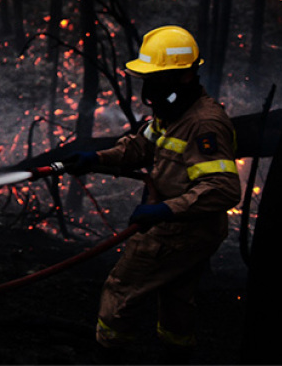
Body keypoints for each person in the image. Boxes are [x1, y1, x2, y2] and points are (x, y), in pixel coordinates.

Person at [66, 25, 241, 360]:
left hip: (180, 231)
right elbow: (140, 148)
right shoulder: (172, 113)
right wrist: (94, 159)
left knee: (122, 287)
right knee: (177, 296)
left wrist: (164, 211)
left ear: (185, 77)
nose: (149, 89)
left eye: (158, 79)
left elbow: (223, 188)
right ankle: (177, 354)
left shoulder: (203, 124)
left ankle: (109, 352)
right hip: (189, 230)